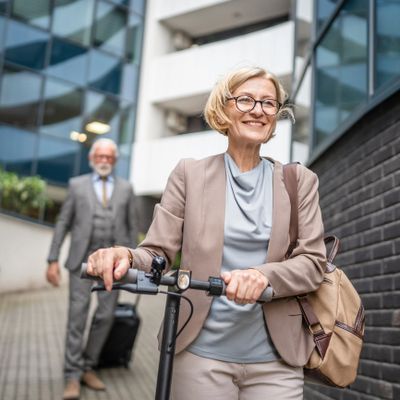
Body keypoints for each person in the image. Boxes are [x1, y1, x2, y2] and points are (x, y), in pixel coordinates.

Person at [87, 66, 326, 399]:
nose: (257, 110)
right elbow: (158, 254)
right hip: (199, 354)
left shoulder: (299, 181)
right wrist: (125, 255)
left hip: (277, 361)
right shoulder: (190, 174)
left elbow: (314, 263)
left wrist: (262, 276)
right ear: (223, 108)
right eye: (245, 100)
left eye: (268, 103)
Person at [46, 138, 138, 400]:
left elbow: (132, 229)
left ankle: (88, 366)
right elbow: (63, 223)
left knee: (106, 316)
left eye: (109, 157)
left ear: (115, 160)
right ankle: (72, 376)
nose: (105, 160)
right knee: (77, 317)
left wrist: (133, 262)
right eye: (100, 156)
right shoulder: (77, 185)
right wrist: (52, 259)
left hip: (114, 267)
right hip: (81, 263)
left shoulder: (126, 189)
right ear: (92, 158)